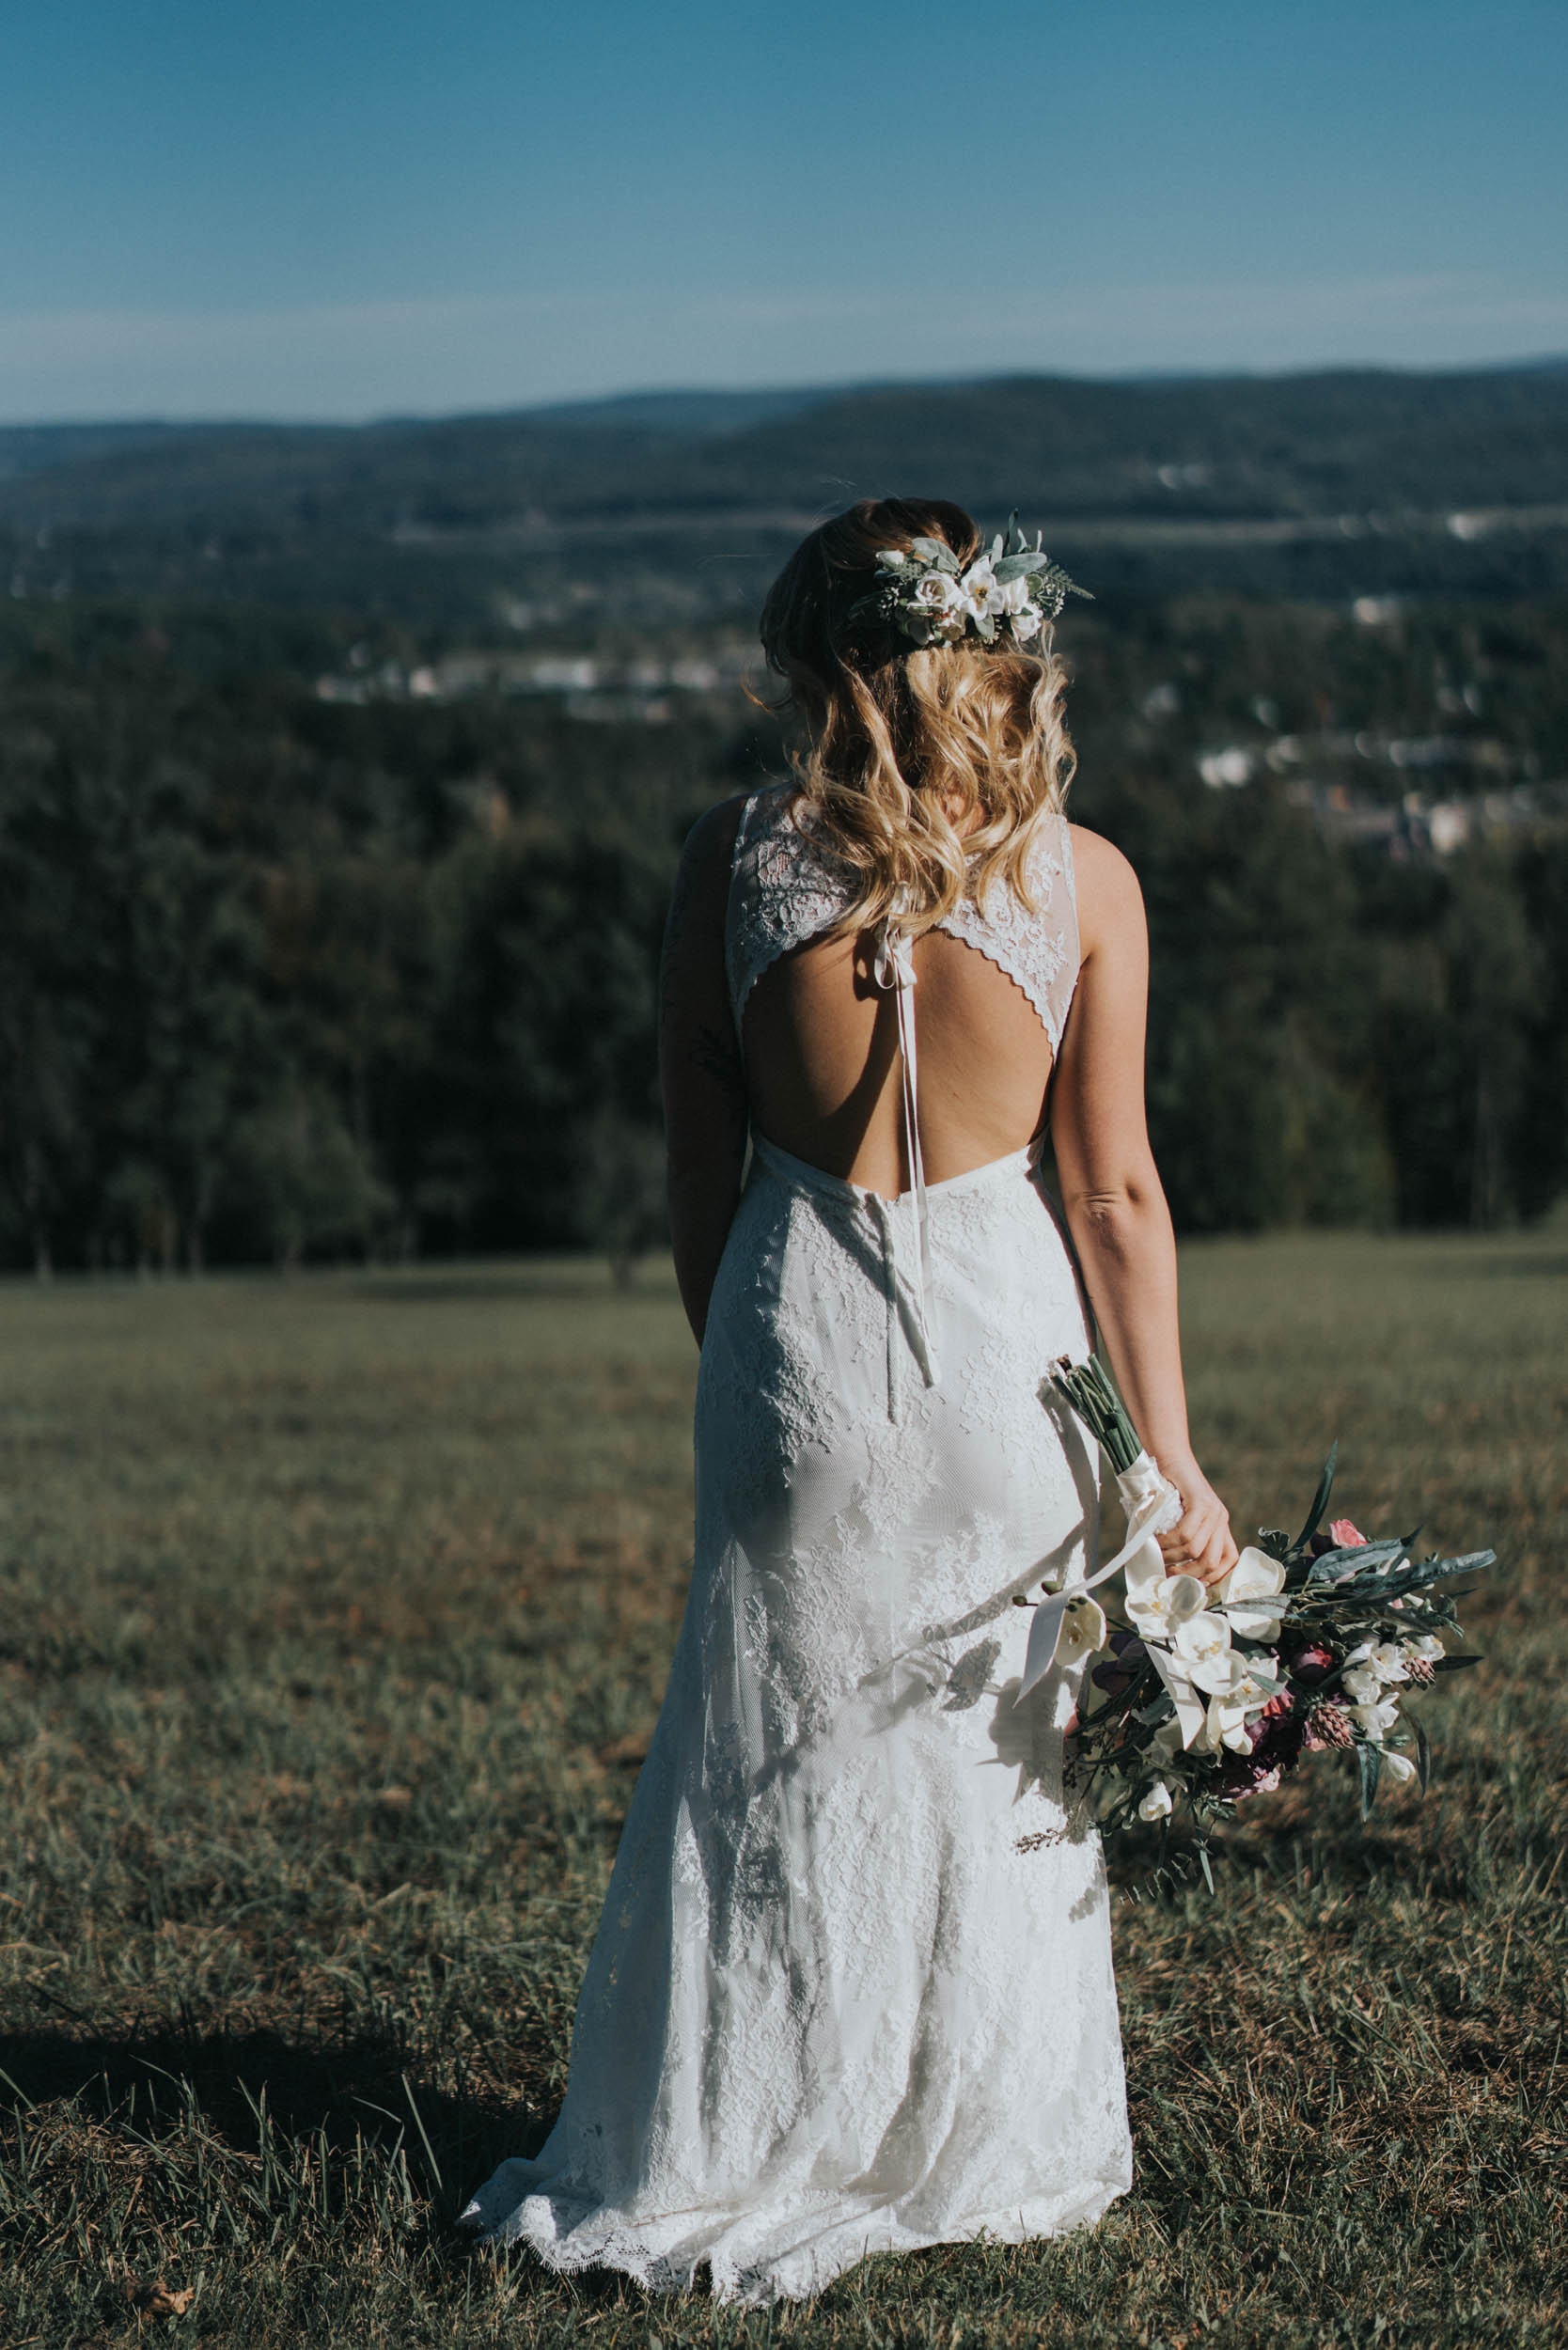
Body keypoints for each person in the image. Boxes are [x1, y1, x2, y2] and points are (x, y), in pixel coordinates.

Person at [462, 496, 1239, 2303]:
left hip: (791, 1319)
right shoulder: (1088, 878)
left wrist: (741, 1349)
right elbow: (1115, 1193)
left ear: (815, 660)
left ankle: (747, 2122)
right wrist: (1174, 1456)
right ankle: (970, 2131)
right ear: (993, 646)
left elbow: (693, 1158)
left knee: (768, 1753)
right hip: (1007, 1351)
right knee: (997, 1753)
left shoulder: (724, 865)